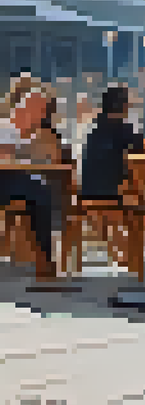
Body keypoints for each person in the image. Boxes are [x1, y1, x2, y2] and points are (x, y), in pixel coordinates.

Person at [0, 87, 63, 281]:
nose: (41, 116)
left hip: (11, 181)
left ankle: (44, 258)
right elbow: (5, 158)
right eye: (39, 110)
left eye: (42, 111)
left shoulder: (23, 135)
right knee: (41, 190)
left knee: (41, 190)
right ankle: (44, 259)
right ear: (23, 109)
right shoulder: (5, 128)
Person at [80, 86, 145, 200]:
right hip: (110, 195)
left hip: (87, 193)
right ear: (122, 106)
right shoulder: (122, 129)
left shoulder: (95, 130)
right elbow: (142, 149)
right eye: (127, 104)